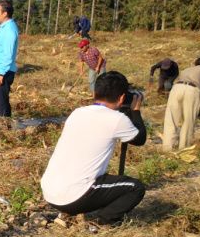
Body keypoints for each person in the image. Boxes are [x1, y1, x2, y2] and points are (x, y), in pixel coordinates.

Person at [40, 71, 147, 225]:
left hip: (50, 192)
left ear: (94, 93)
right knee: (135, 188)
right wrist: (135, 111)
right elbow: (140, 139)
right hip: (74, 197)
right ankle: (103, 221)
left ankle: (69, 213)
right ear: (122, 97)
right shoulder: (117, 119)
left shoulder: (77, 113)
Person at [162, 57, 200, 151]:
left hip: (176, 89)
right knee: (188, 122)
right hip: (192, 90)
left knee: (171, 120)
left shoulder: (186, 69)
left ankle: (167, 149)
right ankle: (183, 149)